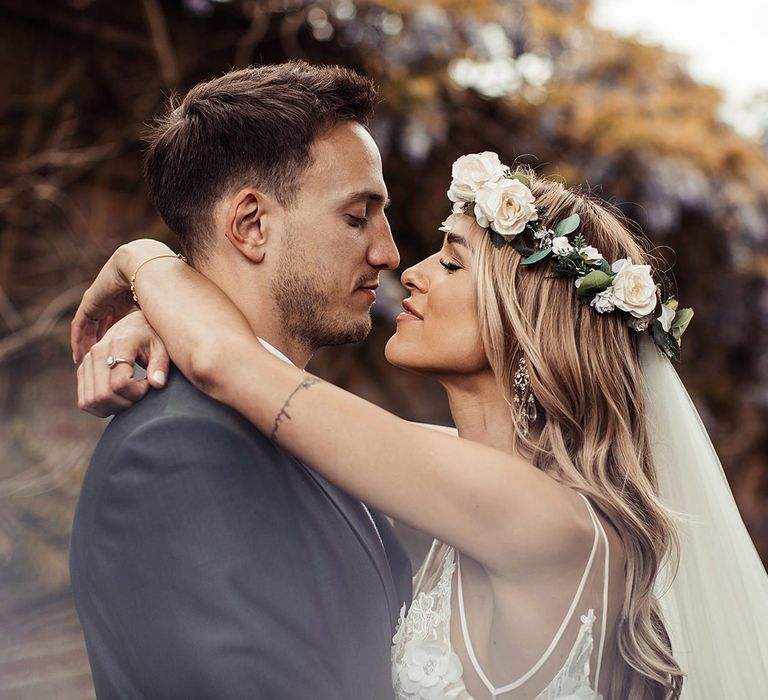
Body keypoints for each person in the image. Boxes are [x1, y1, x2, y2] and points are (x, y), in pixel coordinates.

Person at [73, 155, 768, 699]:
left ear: (522, 321)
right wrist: (159, 315)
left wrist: (143, 262)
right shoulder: (473, 476)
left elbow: (228, 361)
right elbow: (257, 384)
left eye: (454, 261)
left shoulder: (540, 516)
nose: (409, 270)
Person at [67, 61, 413, 700]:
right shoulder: (178, 452)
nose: (389, 254)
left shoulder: (301, 424)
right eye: (358, 216)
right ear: (251, 225)